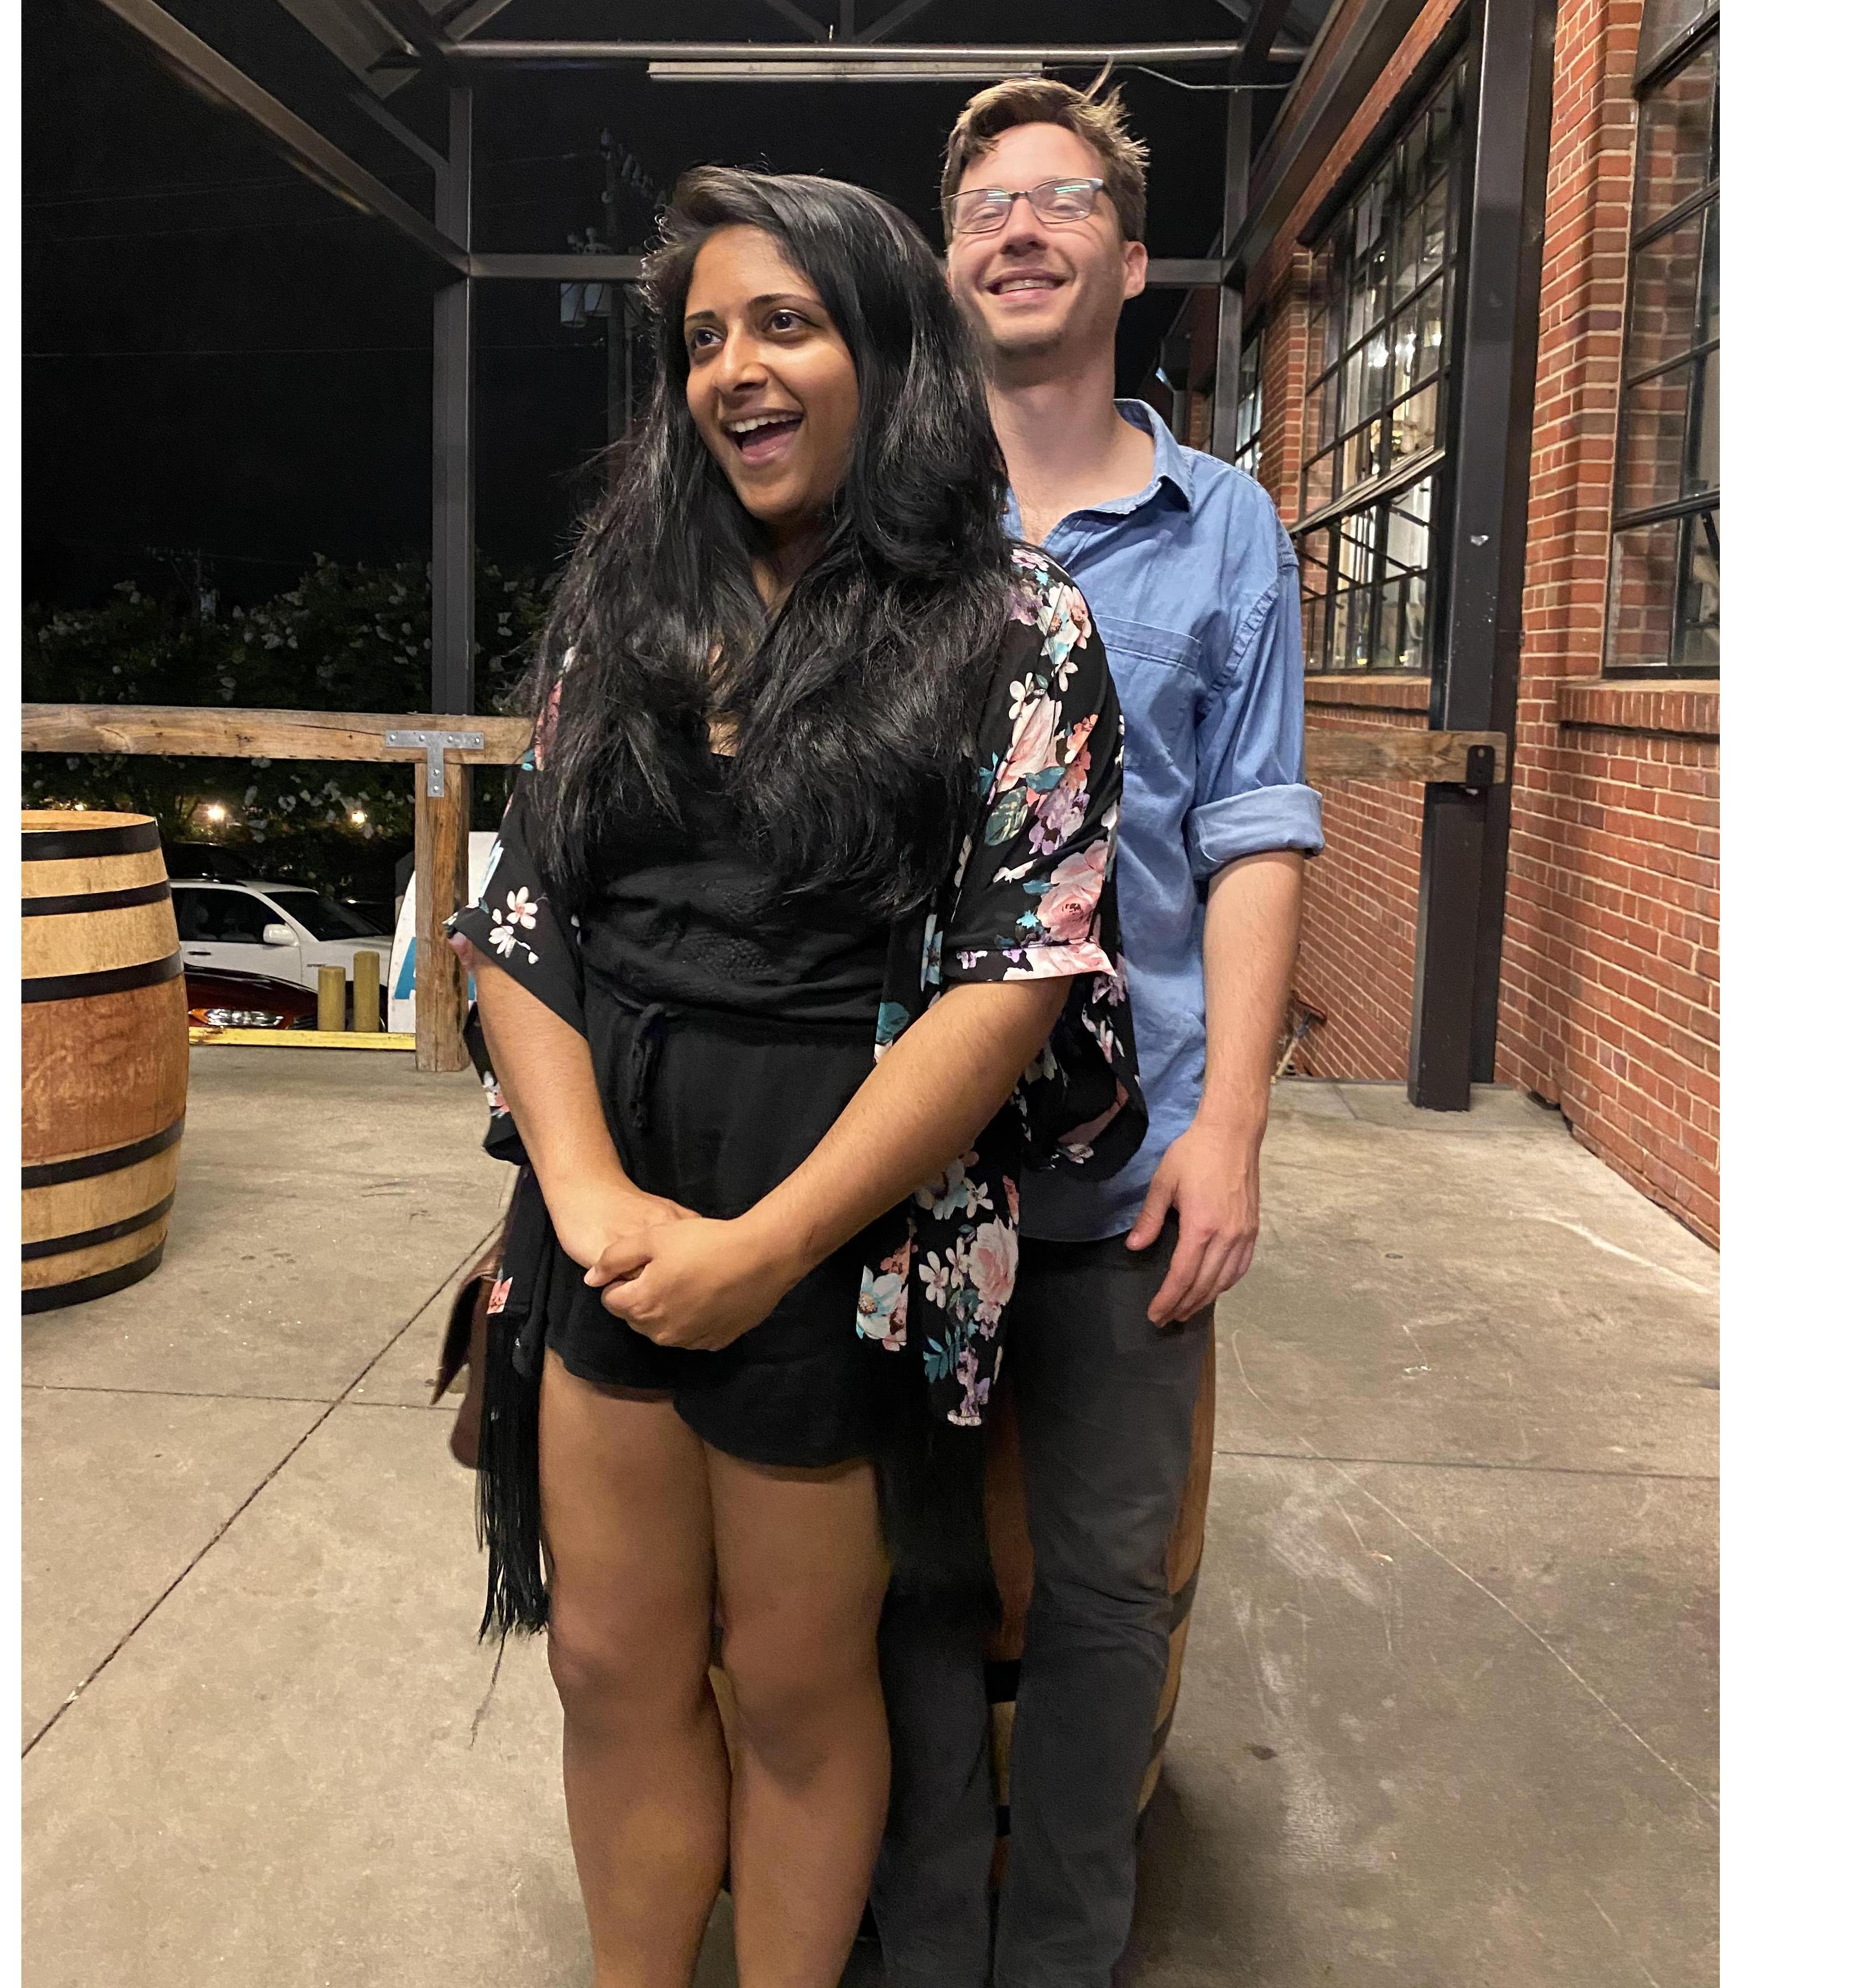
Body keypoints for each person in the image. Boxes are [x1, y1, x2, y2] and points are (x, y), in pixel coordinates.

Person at [445, 166, 1145, 1988]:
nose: (732, 371)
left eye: (783, 323)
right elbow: (521, 915)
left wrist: (764, 1245)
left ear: (885, 349)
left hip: (840, 1213)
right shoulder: (625, 607)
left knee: (797, 1683)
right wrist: (585, 1196)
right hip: (609, 1183)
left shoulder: (1014, 624)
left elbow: (1015, 974)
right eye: (700, 341)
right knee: (608, 1659)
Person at [871, 76, 1326, 1988]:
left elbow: (1254, 834)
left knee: (1109, 1590)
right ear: (946, 259)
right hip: (898, 1153)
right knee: (909, 1579)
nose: (1019, 227)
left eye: (1062, 199)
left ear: (1131, 262)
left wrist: (1230, 1130)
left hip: (1133, 1169)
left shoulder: (1225, 531)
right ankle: (916, 1941)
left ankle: (1059, 1952)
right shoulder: (884, 514)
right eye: (985, 204)